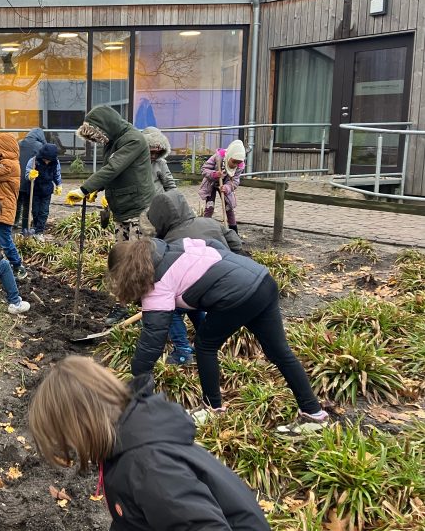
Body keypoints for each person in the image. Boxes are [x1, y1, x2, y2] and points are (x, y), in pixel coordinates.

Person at [29, 357, 270, 531]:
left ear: (80, 423)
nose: (70, 446)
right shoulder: (131, 439)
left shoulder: (147, 465)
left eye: (65, 437)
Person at [106, 237, 328, 425]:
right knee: (280, 352)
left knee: (205, 346)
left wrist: (137, 374)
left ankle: (213, 409)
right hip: (260, 279)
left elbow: (152, 338)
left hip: (238, 294)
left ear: (127, 272)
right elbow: (213, 244)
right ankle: (314, 413)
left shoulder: (158, 283)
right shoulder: (176, 245)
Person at [65, 105, 154, 325]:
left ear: (107, 126)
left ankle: (148, 310)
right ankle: (122, 305)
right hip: (121, 209)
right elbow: (114, 172)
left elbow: (114, 168)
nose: (99, 141)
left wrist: (85, 188)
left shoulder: (133, 140)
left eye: (98, 136)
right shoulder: (113, 141)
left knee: (138, 261)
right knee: (122, 259)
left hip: (138, 211)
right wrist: (98, 190)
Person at [147, 190, 244, 366]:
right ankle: (206, 340)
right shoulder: (210, 222)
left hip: (203, 286)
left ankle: (182, 351)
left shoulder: (169, 240)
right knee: (191, 302)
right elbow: (236, 243)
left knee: (172, 309)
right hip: (228, 283)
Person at [0, 133, 27, 280]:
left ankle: (18, 266)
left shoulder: (9, 164)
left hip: (2, 209)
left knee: (5, 240)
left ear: (3, 148)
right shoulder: (4, 163)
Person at [199, 139, 246, 232]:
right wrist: (215, 174)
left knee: (229, 208)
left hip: (224, 186)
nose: (235, 165)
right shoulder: (218, 157)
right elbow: (204, 169)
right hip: (211, 184)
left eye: (238, 163)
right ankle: (204, 230)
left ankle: (233, 232)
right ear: (229, 156)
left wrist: (227, 188)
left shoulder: (239, 166)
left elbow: (235, 181)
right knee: (210, 207)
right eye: (234, 162)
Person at [24, 141, 62, 235]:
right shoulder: (34, 161)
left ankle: (39, 231)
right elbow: (27, 173)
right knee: (35, 211)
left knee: (44, 211)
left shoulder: (55, 162)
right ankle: (36, 227)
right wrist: (30, 175)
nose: (47, 161)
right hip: (35, 189)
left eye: (49, 160)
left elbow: (57, 174)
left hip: (47, 190)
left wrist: (59, 185)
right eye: (45, 159)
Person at [15, 127, 45, 232]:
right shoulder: (40, 146)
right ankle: (24, 227)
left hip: (17, 177)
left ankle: (14, 223)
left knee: (16, 202)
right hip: (29, 179)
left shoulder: (19, 143)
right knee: (27, 205)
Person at [143, 126, 177, 197]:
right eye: (151, 152)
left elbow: (169, 184)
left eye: (157, 153)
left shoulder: (160, 163)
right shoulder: (135, 162)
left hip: (158, 200)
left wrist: (175, 199)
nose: (154, 156)